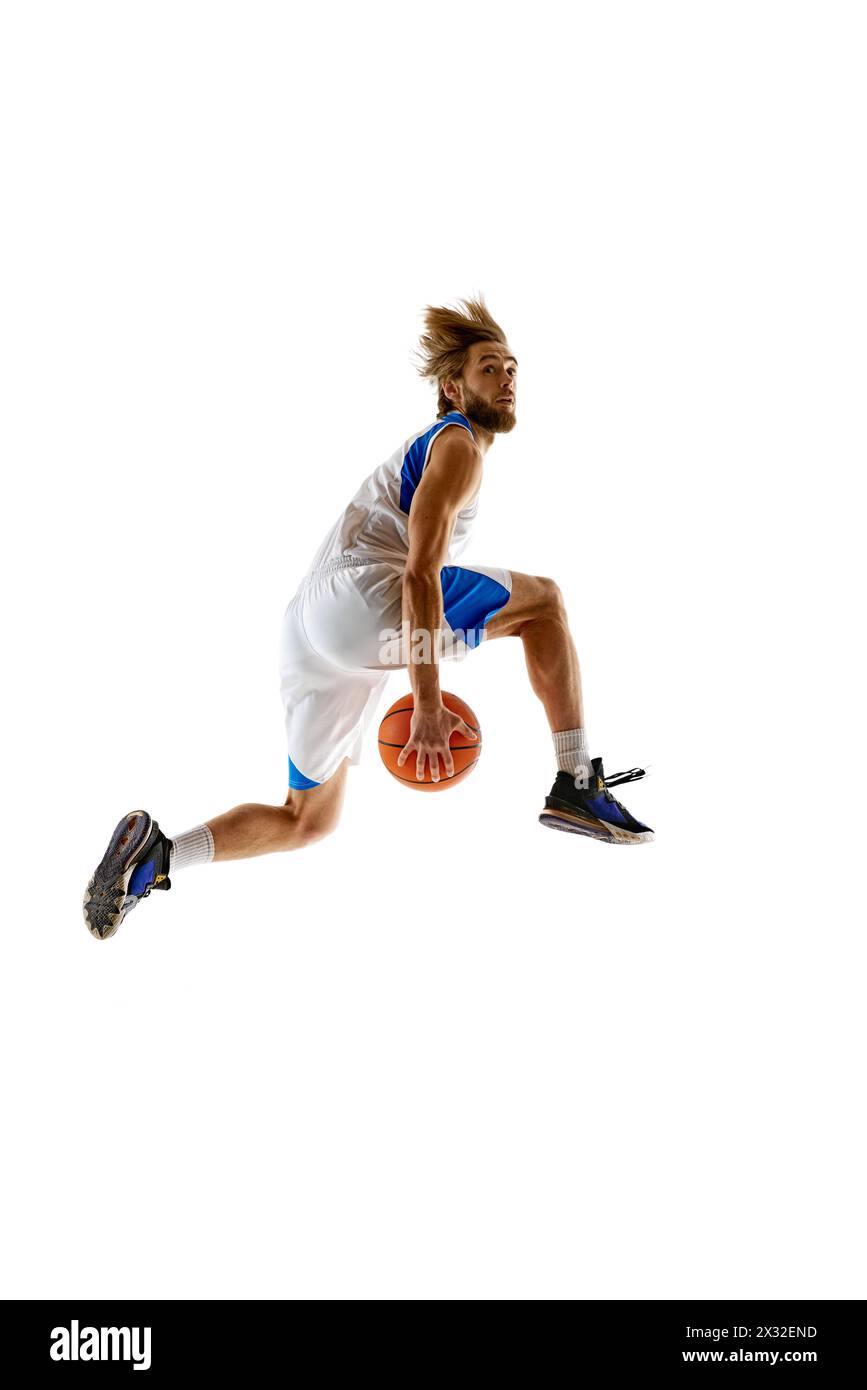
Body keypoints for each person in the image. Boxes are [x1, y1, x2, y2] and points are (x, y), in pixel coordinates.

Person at [83, 296, 653, 939]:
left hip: (308, 629)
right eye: (488, 367)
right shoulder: (458, 445)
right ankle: (577, 779)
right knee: (544, 603)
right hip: (359, 598)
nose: (507, 378)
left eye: (512, 367)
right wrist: (428, 704)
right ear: (452, 386)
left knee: (308, 819)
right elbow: (418, 573)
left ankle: (156, 857)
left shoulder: (445, 450)